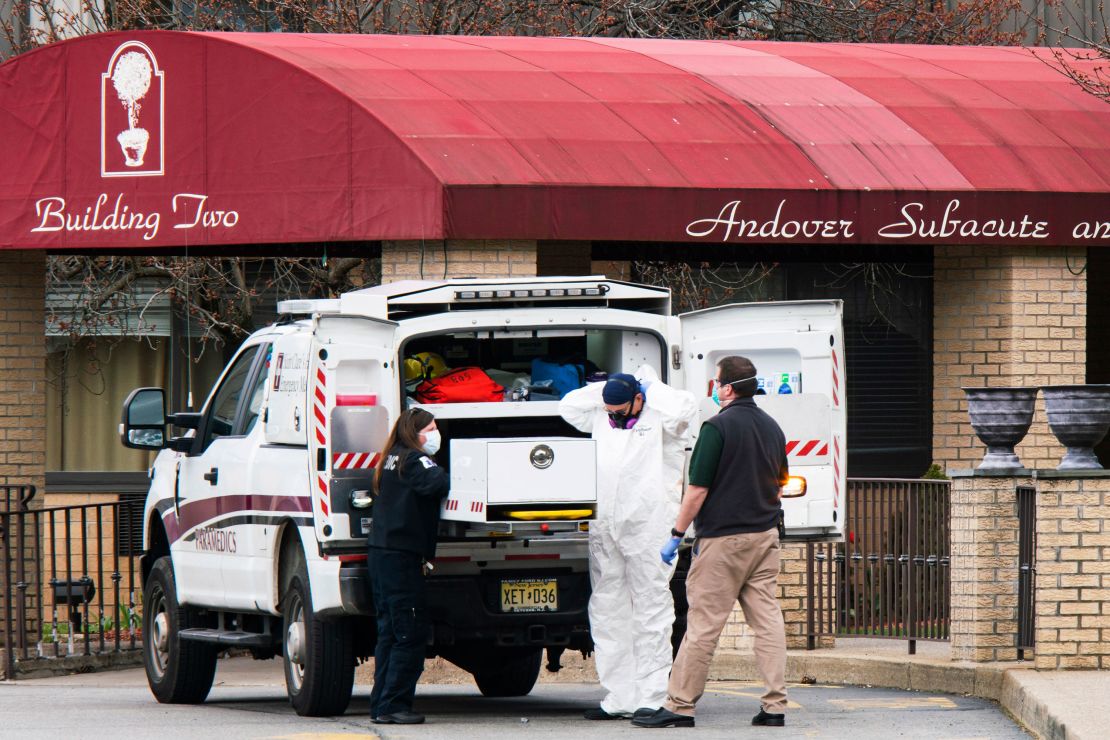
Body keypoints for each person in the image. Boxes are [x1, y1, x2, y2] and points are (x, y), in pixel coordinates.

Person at [634, 355, 789, 730]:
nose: (714, 388)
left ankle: (680, 705)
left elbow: (697, 490)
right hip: (766, 537)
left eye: (717, 382)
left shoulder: (716, 428)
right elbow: (781, 478)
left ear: (728, 388)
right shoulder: (773, 428)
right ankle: (774, 706)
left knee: (703, 624)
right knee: (768, 622)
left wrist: (675, 534)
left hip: (723, 541)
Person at [560, 366, 698, 721]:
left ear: (639, 399)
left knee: (651, 612)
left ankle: (651, 695)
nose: (616, 418)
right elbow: (568, 406)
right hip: (605, 526)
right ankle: (619, 695)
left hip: (647, 527)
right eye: (611, 412)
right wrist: (608, 390)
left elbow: (686, 408)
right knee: (607, 610)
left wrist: (650, 387)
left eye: (622, 410)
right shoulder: (602, 416)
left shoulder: (662, 418)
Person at [367, 408, 449, 725]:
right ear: (415, 433)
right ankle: (394, 704)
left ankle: (382, 704)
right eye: (431, 428)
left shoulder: (392, 458)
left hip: (383, 555)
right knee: (409, 632)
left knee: (389, 632)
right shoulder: (414, 461)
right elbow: (436, 483)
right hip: (400, 558)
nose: (435, 433)